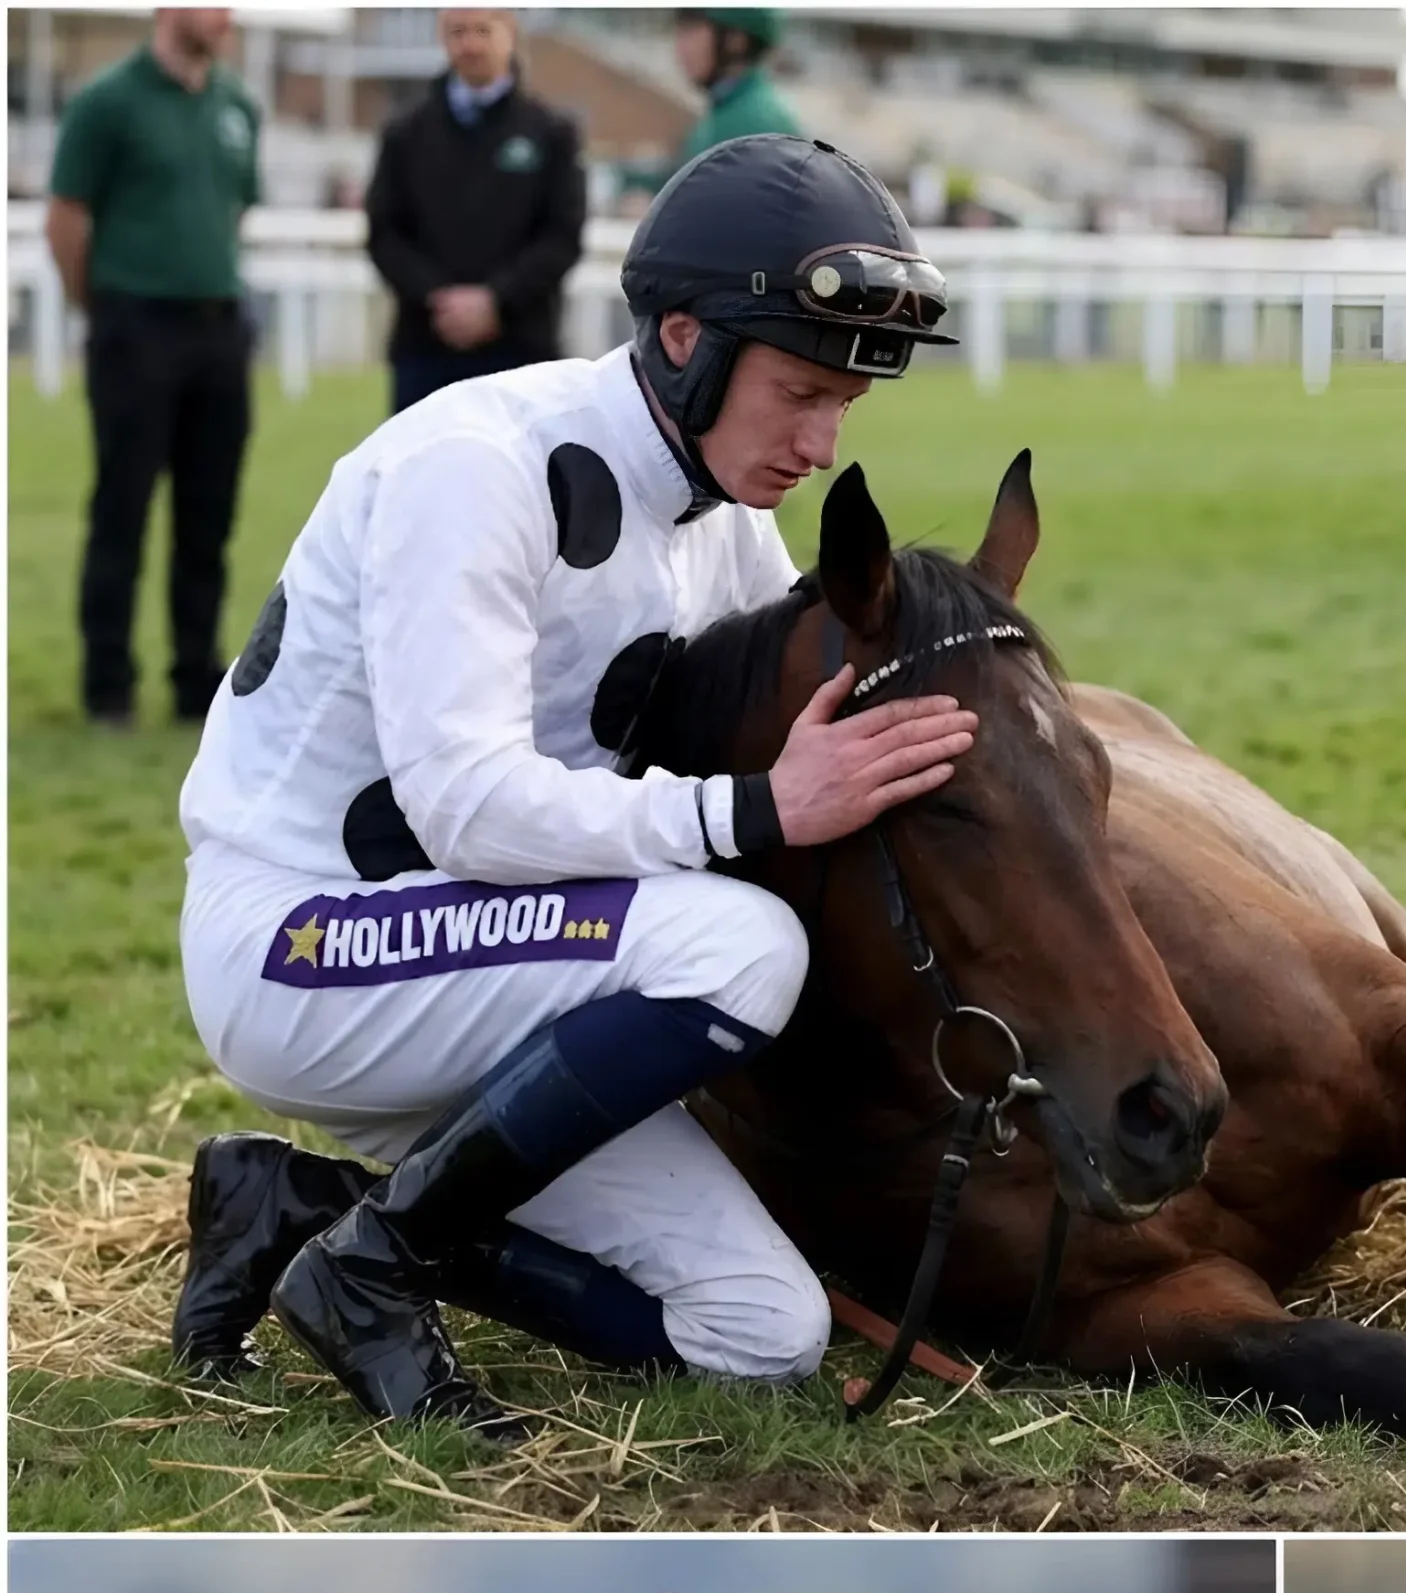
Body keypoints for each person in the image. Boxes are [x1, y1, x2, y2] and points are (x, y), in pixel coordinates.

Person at [168, 135, 974, 1437]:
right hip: (302, 946)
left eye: (847, 405)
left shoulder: (725, 513)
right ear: (682, 340)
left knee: (760, 1334)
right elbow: (468, 810)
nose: (823, 444)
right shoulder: (471, 466)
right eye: (799, 393)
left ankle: (309, 1213)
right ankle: (376, 1274)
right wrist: (755, 809)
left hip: (486, 973)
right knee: (738, 947)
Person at [45, 8, 260, 730]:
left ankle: (197, 679)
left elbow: (232, 211)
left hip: (218, 329)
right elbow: (66, 216)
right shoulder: (109, 102)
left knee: (209, 515)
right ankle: (108, 684)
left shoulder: (236, 105)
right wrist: (104, 307)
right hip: (135, 327)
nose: (225, 16)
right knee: (123, 509)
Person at [365, 9, 588, 414]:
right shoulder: (405, 133)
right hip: (425, 350)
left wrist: (496, 299)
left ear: (510, 34)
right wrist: (437, 297)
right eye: (458, 32)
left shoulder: (551, 132)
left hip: (522, 349)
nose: (470, 44)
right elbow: (384, 232)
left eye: (483, 30)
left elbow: (562, 235)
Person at [675, 9, 799, 166]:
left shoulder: (751, 126)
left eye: (689, 32)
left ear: (735, 40)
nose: (679, 49)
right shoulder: (731, 106)